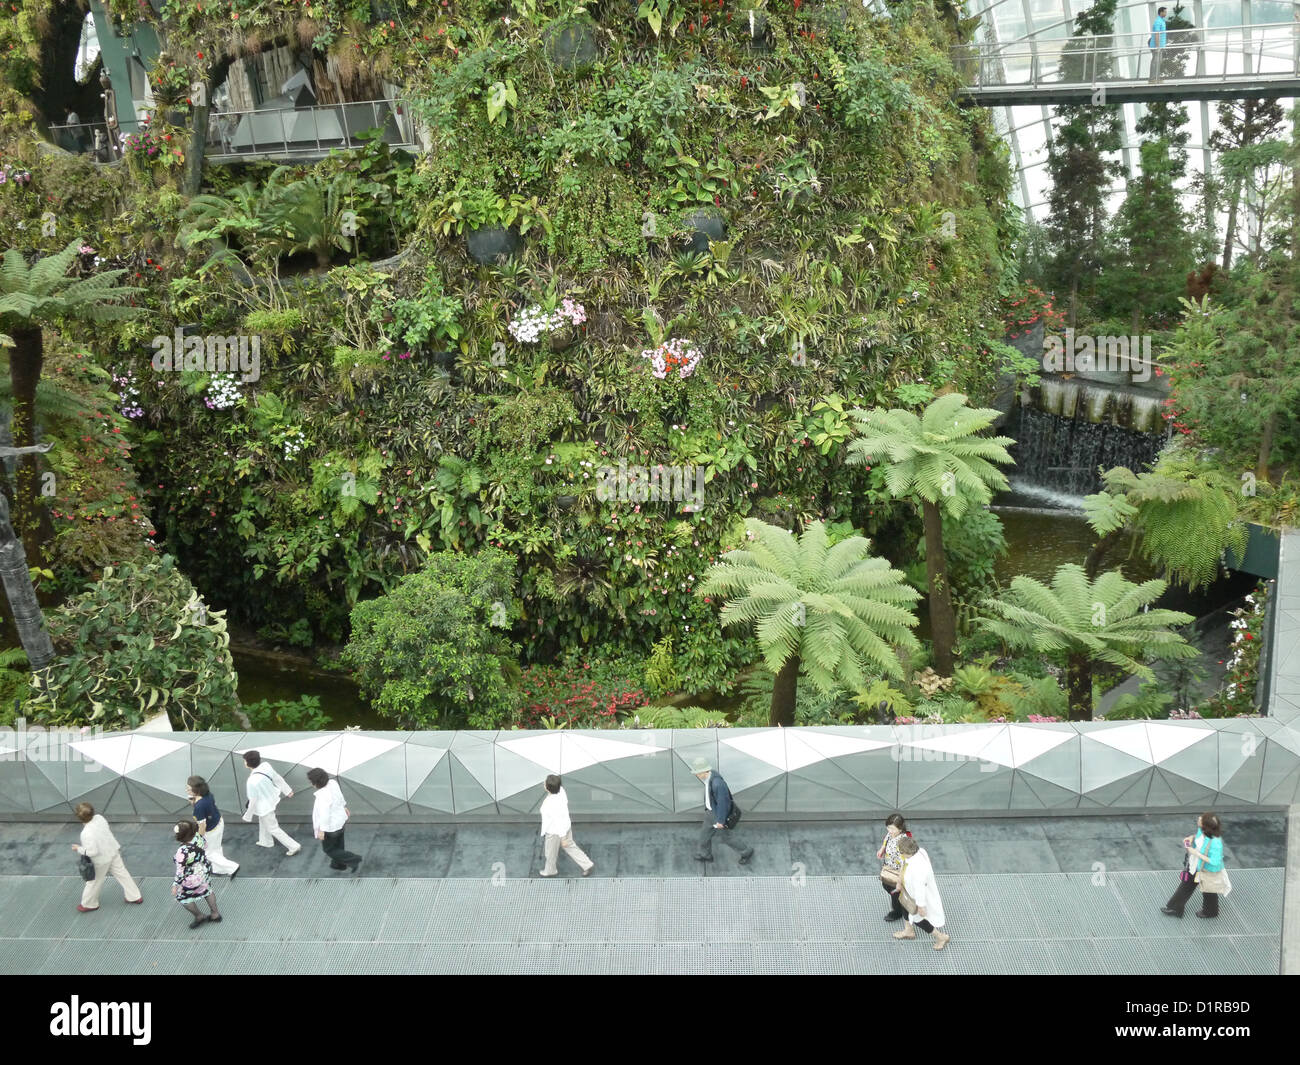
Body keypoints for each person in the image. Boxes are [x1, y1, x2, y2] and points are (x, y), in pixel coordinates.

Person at [71, 802, 143, 912]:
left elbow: (92, 852)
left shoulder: (86, 833)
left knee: (94, 882)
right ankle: (134, 896)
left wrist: (78, 849)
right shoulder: (99, 818)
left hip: (101, 860)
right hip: (112, 850)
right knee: (122, 873)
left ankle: (89, 904)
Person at [1162, 811, 1230, 918]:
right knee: (1191, 885)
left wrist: (1195, 853)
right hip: (1196, 865)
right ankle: (1176, 907)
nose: (1199, 818)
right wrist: (1191, 838)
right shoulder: (1202, 831)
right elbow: (1199, 838)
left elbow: (1215, 861)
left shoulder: (1216, 843)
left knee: (1208, 890)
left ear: (1205, 825)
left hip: (1207, 869)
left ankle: (1209, 911)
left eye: (1201, 818)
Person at [691, 757, 754, 865]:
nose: (696, 775)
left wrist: (720, 821)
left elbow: (723, 804)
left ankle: (746, 852)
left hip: (718, 816)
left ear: (705, 771)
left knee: (727, 838)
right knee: (704, 835)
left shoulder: (717, 784)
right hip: (710, 813)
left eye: (698, 773)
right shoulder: (708, 778)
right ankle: (705, 854)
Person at [892, 836, 950, 950]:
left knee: (918, 919)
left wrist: (921, 906)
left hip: (917, 896)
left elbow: (920, 888)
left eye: (900, 852)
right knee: (904, 905)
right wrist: (900, 881)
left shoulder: (918, 869)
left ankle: (941, 937)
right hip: (908, 890)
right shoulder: (918, 852)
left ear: (906, 852)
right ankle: (908, 930)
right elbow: (904, 865)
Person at [241, 750, 301, 855]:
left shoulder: (251, 781)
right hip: (271, 799)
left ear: (248, 763)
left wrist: (247, 815)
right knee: (263, 820)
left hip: (264, 806)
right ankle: (266, 841)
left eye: (245, 761)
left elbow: (252, 800)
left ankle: (293, 846)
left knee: (273, 828)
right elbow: (277, 778)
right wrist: (288, 791)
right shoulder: (266, 766)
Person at [538, 774, 595, 878]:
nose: (543, 783)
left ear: (547, 787)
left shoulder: (549, 804)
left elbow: (557, 820)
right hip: (566, 825)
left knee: (550, 852)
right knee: (570, 846)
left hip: (555, 831)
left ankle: (550, 870)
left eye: (545, 782)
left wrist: (562, 838)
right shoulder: (561, 792)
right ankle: (587, 864)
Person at [308, 767, 362, 873]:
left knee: (329, 849)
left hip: (331, 827)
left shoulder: (322, 796)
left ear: (316, 783)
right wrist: (344, 807)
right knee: (339, 844)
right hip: (341, 820)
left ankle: (354, 859)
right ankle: (339, 865)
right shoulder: (333, 783)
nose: (311, 784)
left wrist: (322, 830)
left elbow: (324, 815)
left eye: (312, 782)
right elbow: (339, 796)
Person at [172, 819, 221, 929]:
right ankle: (215, 914)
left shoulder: (182, 852)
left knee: (183, 898)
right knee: (207, 890)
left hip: (191, 878)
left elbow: (180, 871)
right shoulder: (198, 837)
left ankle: (199, 916)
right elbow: (206, 846)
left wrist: (175, 885)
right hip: (203, 870)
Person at [187, 775, 238, 878]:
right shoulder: (208, 795)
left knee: (208, 853)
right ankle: (219, 869)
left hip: (210, 831)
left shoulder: (199, 806)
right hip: (218, 823)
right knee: (216, 848)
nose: (186, 790)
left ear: (195, 789)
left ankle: (232, 867)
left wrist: (199, 838)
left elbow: (202, 826)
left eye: (188, 788)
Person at [876, 813, 913, 922]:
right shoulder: (891, 834)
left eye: (892, 828)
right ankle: (900, 908)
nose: (889, 830)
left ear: (900, 828)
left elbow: (904, 863)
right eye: (888, 827)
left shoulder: (903, 842)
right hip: (890, 867)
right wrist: (882, 849)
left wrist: (899, 881)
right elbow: (886, 840)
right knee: (888, 886)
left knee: (895, 892)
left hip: (898, 872)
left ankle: (898, 911)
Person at [1149, 7, 1168, 82]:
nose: (1166, 13)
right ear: (1161, 12)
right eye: (1165, 12)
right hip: (1156, 46)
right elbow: (1157, 34)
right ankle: (1152, 79)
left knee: (1158, 62)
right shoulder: (1158, 21)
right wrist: (1157, 47)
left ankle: (1157, 78)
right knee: (1155, 62)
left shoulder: (1162, 21)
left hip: (1161, 45)